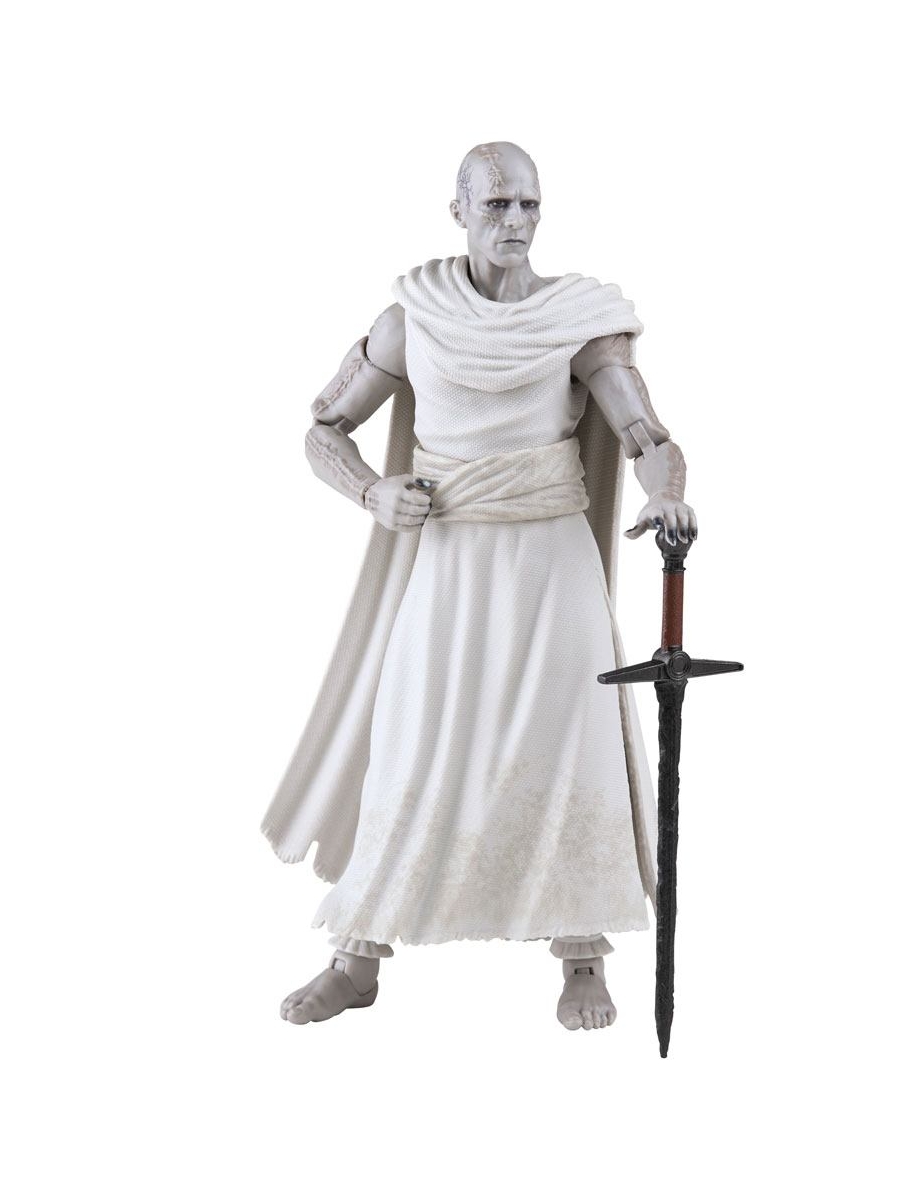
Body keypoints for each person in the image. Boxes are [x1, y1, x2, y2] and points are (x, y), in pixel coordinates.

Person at [263, 141, 697, 1032]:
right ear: (457, 210)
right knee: (412, 744)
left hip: (550, 566)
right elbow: (323, 429)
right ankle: (357, 956)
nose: (516, 221)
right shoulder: (411, 319)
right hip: (451, 557)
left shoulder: (579, 319)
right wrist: (370, 491)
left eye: (529, 204)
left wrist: (667, 494)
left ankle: (582, 953)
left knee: (569, 745)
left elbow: (646, 433)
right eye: (497, 204)